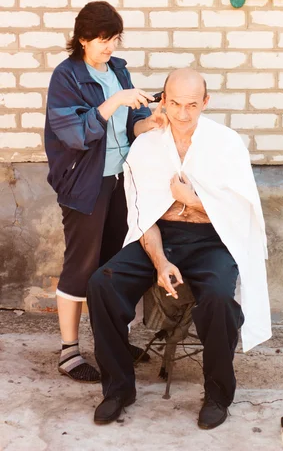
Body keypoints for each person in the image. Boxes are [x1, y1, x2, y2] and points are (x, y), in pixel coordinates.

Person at [87, 68, 272, 429]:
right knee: (102, 284)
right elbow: (143, 216)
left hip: (212, 239)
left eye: (192, 104)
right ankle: (118, 389)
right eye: (175, 103)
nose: (183, 114)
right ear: (164, 101)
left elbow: (242, 211)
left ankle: (218, 394)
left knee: (219, 298)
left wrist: (195, 200)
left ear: (206, 102)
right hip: (160, 236)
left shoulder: (226, 143)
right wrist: (160, 262)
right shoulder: (147, 146)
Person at [45, 1, 167, 383]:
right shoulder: (66, 77)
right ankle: (69, 353)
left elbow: (129, 124)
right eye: (103, 39)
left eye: (114, 38)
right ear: (82, 38)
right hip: (86, 184)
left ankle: (112, 339)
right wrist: (113, 101)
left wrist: (149, 122)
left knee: (116, 263)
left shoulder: (118, 69)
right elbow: (75, 135)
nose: (110, 46)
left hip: (121, 180)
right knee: (81, 267)